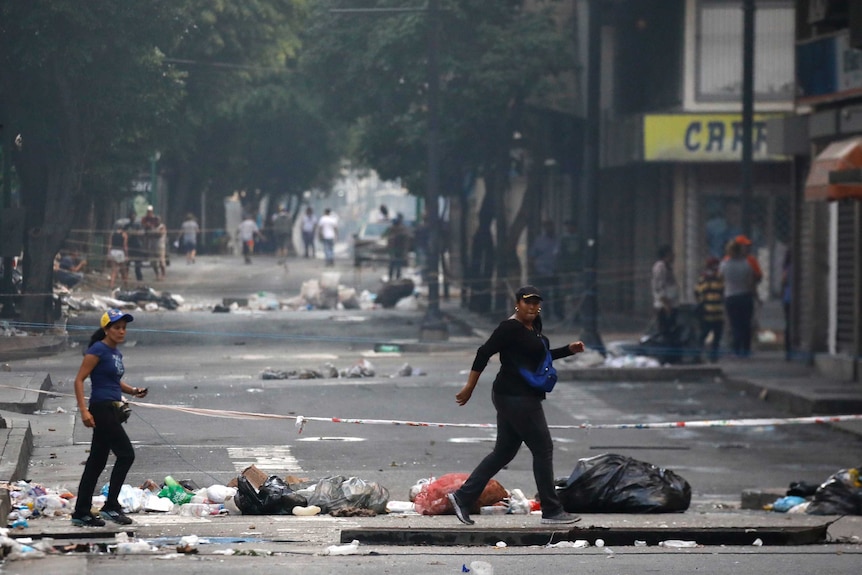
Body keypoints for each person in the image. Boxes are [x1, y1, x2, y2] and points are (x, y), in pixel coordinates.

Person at [447, 285, 585, 526]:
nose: (532, 307)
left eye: (535, 303)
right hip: (515, 396)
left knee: (504, 452)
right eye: (527, 302)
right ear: (517, 304)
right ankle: (552, 510)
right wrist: (470, 386)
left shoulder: (533, 326)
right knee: (543, 448)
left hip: (520, 396)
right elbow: (483, 352)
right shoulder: (509, 327)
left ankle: (462, 497)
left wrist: (568, 350)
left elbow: (537, 357)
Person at [71, 309, 149, 527]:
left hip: (111, 407)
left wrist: (133, 391)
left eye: (124, 328)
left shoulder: (115, 353)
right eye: (116, 328)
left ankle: (81, 512)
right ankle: (111, 506)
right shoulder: (98, 350)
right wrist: (84, 411)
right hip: (101, 408)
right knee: (126, 454)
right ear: (106, 329)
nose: (121, 332)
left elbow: (114, 381)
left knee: (96, 462)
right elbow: (79, 380)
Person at [720, 240, 755, 358]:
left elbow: (720, 279)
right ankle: (746, 349)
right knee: (746, 324)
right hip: (745, 296)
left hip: (731, 296)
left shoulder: (724, 265)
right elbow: (750, 282)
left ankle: (736, 349)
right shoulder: (746, 264)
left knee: (735, 324)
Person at [528, 221, 562, 320]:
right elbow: (532, 255)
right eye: (547, 227)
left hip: (555, 270)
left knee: (557, 293)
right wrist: (532, 269)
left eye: (551, 227)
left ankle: (558, 312)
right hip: (542, 270)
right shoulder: (540, 241)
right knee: (544, 293)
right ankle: (546, 313)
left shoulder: (558, 240)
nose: (549, 229)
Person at [694, 256, 724, 363]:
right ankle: (712, 356)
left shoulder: (703, 279)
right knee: (715, 336)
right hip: (716, 312)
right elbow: (723, 292)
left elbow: (697, 293)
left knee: (704, 335)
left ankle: (698, 355)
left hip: (707, 312)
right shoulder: (719, 278)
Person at [651, 245, 679, 342]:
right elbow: (659, 286)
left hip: (671, 304)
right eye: (671, 253)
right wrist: (666, 303)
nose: (673, 256)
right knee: (665, 331)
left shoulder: (668, 267)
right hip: (664, 306)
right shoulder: (660, 267)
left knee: (672, 331)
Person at [385, 213, 410, 281]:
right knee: (395, 263)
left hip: (398, 249)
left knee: (395, 263)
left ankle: (394, 276)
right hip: (396, 249)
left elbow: (405, 240)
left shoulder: (400, 230)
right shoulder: (400, 229)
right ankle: (394, 276)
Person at [124, 211, 145, 282]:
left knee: (138, 264)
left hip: (137, 245)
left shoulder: (138, 225)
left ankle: (139, 278)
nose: (132, 217)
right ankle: (125, 277)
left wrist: (134, 233)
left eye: (133, 216)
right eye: (131, 216)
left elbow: (142, 233)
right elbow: (124, 234)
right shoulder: (126, 226)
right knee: (127, 263)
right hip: (129, 245)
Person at [107, 223, 128, 290]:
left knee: (114, 270)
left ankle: (111, 285)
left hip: (113, 252)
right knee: (123, 270)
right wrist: (126, 255)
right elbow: (125, 246)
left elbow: (109, 244)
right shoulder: (124, 234)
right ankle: (125, 285)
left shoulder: (112, 234)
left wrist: (108, 253)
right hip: (120, 252)